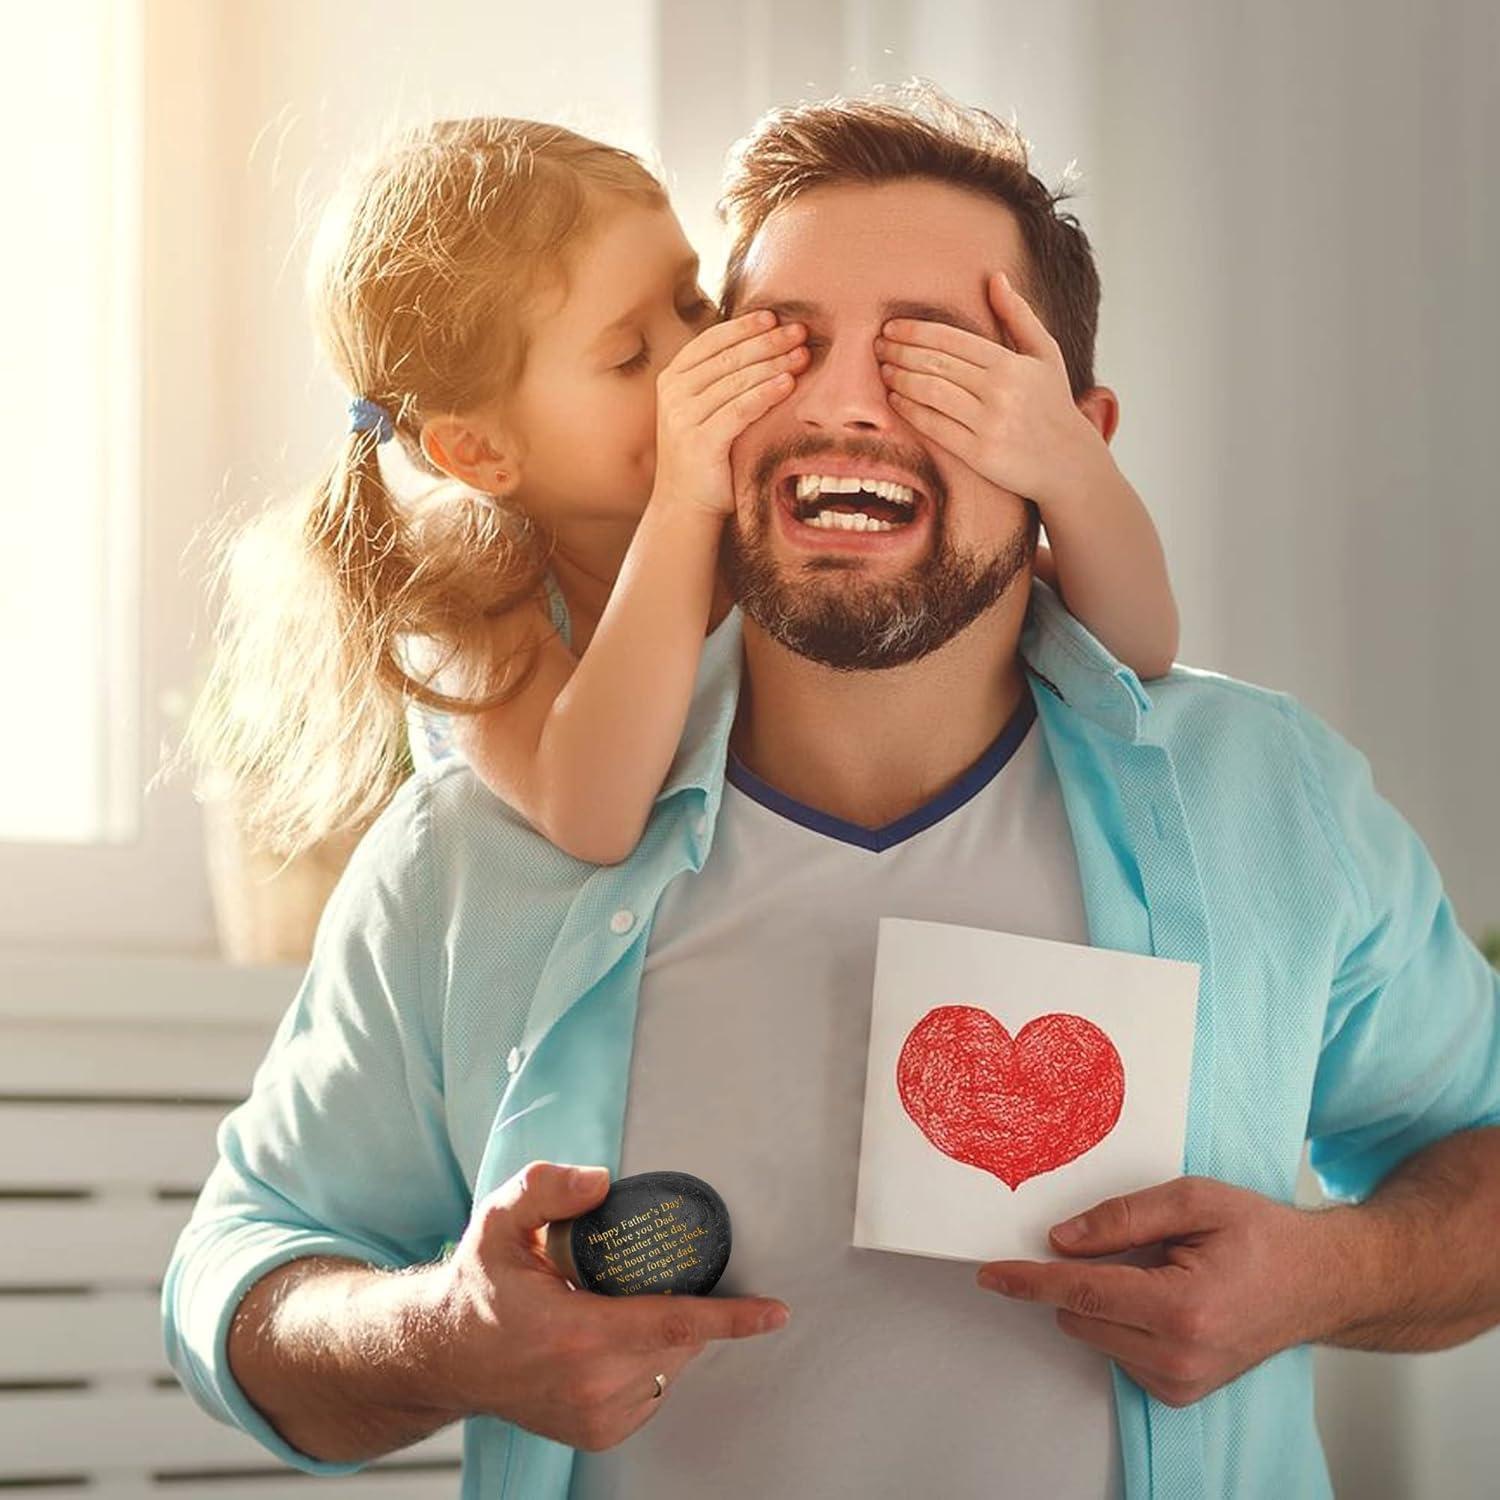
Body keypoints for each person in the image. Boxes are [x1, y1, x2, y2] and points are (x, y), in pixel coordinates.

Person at [162, 85, 1500, 1500]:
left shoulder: (1270, 803)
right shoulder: (474, 848)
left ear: (1072, 431)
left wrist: (1324, 1272)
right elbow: (239, 1276)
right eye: (777, 344)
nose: (848, 401)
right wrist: (440, 1335)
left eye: (942, 359)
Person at [179, 112, 1176, 873]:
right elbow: (594, 814)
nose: (696, 355)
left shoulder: (774, 513)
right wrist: (683, 511)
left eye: (694, 301)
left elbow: (1133, 642)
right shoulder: (479, 587)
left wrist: (1065, 461)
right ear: (481, 453)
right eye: (626, 356)